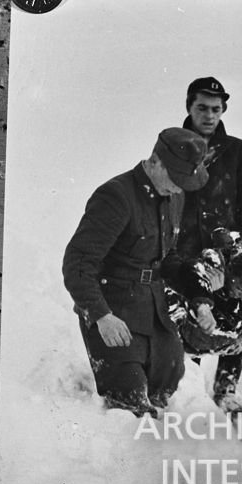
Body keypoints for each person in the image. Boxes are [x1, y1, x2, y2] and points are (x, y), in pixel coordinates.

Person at [62, 127, 209, 416]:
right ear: (155, 162)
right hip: (113, 309)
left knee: (170, 378)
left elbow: (169, 259)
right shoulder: (116, 196)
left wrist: (200, 298)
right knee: (129, 402)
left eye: (184, 183)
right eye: (176, 179)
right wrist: (101, 316)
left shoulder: (173, 196)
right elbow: (78, 262)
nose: (179, 188)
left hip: (152, 309)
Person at [178, 76, 242, 413]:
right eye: (202, 107)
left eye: (216, 109)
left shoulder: (236, 151)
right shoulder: (172, 144)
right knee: (191, 316)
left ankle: (226, 389)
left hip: (227, 252)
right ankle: (190, 387)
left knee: (239, 313)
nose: (209, 115)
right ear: (189, 106)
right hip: (185, 252)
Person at [164, 229, 242, 407]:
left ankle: (226, 388)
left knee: (241, 336)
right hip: (193, 331)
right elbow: (192, 270)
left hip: (228, 334)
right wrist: (203, 300)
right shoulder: (213, 266)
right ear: (231, 272)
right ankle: (189, 387)